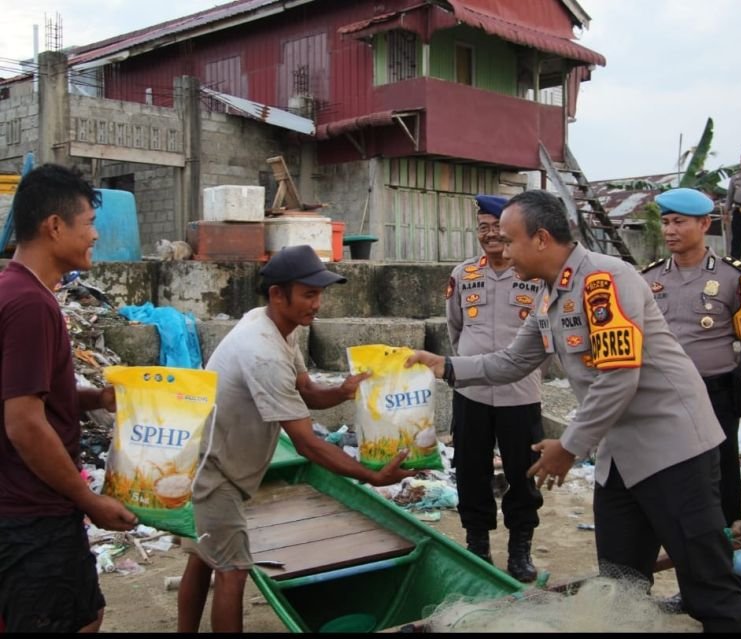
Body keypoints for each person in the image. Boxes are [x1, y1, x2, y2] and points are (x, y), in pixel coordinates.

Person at [408, 190, 741, 632]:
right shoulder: (548, 295)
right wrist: (445, 366)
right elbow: (513, 361)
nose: (503, 249)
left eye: (510, 240)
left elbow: (619, 377)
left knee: (708, 585)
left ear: (541, 239)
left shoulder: (605, 280)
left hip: (674, 452)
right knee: (619, 585)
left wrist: (569, 447)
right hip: (620, 459)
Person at [176, 244, 415, 633]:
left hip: (220, 463)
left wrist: (342, 390)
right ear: (277, 294)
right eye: (308, 294)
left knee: (205, 558)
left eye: (319, 294)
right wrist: (370, 476)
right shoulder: (263, 351)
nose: (317, 304)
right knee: (233, 571)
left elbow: (304, 389)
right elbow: (306, 444)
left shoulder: (274, 327)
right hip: (214, 472)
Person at [0, 164, 139, 632]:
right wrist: (89, 499)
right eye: (88, 224)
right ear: (54, 226)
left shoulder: (13, 291)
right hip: (33, 513)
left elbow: (31, 395)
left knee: (85, 611)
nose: (95, 236)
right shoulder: (30, 305)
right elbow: (23, 422)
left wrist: (96, 398)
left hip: (23, 508)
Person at [641, 188, 741, 528]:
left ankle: (727, 557)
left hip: (715, 392)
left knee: (721, 474)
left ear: (704, 224)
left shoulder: (734, 276)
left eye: (679, 222)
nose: (669, 230)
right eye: (666, 222)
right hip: (662, 393)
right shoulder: (647, 278)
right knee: (668, 472)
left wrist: (739, 383)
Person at [446, 194, 544, 582]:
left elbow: (547, 340)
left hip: (520, 393)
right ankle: (477, 545)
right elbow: (455, 328)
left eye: (496, 228)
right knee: (470, 469)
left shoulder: (534, 276)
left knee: (523, 472)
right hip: (470, 391)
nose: (490, 236)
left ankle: (520, 549)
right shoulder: (462, 274)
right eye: (482, 228)